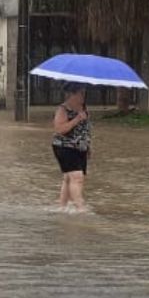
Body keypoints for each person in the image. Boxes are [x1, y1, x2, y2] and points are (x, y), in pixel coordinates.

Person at [52, 82, 92, 212]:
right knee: (77, 177)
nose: (83, 96)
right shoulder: (63, 109)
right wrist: (77, 119)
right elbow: (59, 129)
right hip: (64, 147)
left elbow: (85, 130)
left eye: (84, 93)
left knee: (69, 178)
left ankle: (62, 207)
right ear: (72, 94)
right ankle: (80, 208)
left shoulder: (84, 108)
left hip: (80, 148)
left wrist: (88, 146)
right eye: (81, 93)